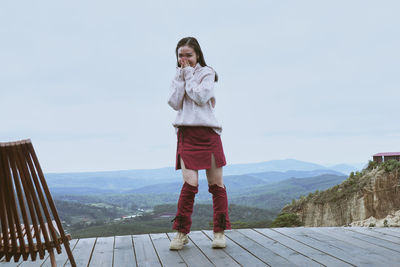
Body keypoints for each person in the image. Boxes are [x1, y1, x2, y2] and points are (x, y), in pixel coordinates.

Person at [167, 37, 231, 250]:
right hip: (187, 134)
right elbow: (174, 102)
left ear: (197, 56)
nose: (184, 59)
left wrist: (188, 75)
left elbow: (201, 97)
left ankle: (220, 232)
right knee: (189, 185)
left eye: (188, 55)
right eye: (180, 56)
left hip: (208, 134)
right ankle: (181, 233)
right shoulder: (178, 75)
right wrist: (181, 77)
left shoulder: (207, 73)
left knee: (216, 185)